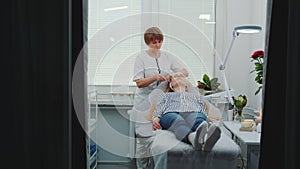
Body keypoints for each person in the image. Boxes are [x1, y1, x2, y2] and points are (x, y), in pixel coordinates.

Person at [132, 27, 188, 169]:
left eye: (159, 41)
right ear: (147, 42)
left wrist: (174, 75)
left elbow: (185, 71)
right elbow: (139, 83)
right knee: (143, 144)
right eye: (154, 42)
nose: (157, 45)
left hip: (161, 104)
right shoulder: (141, 58)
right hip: (143, 105)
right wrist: (154, 77)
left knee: (159, 142)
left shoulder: (168, 57)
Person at [151, 72, 221, 151]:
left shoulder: (196, 97)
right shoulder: (166, 96)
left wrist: (207, 120)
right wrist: (156, 119)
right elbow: (159, 109)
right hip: (171, 113)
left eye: (181, 76)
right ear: (171, 84)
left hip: (193, 112)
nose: (179, 77)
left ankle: (206, 139)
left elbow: (202, 110)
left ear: (186, 84)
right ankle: (192, 137)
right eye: (175, 77)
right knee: (177, 120)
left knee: (199, 119)